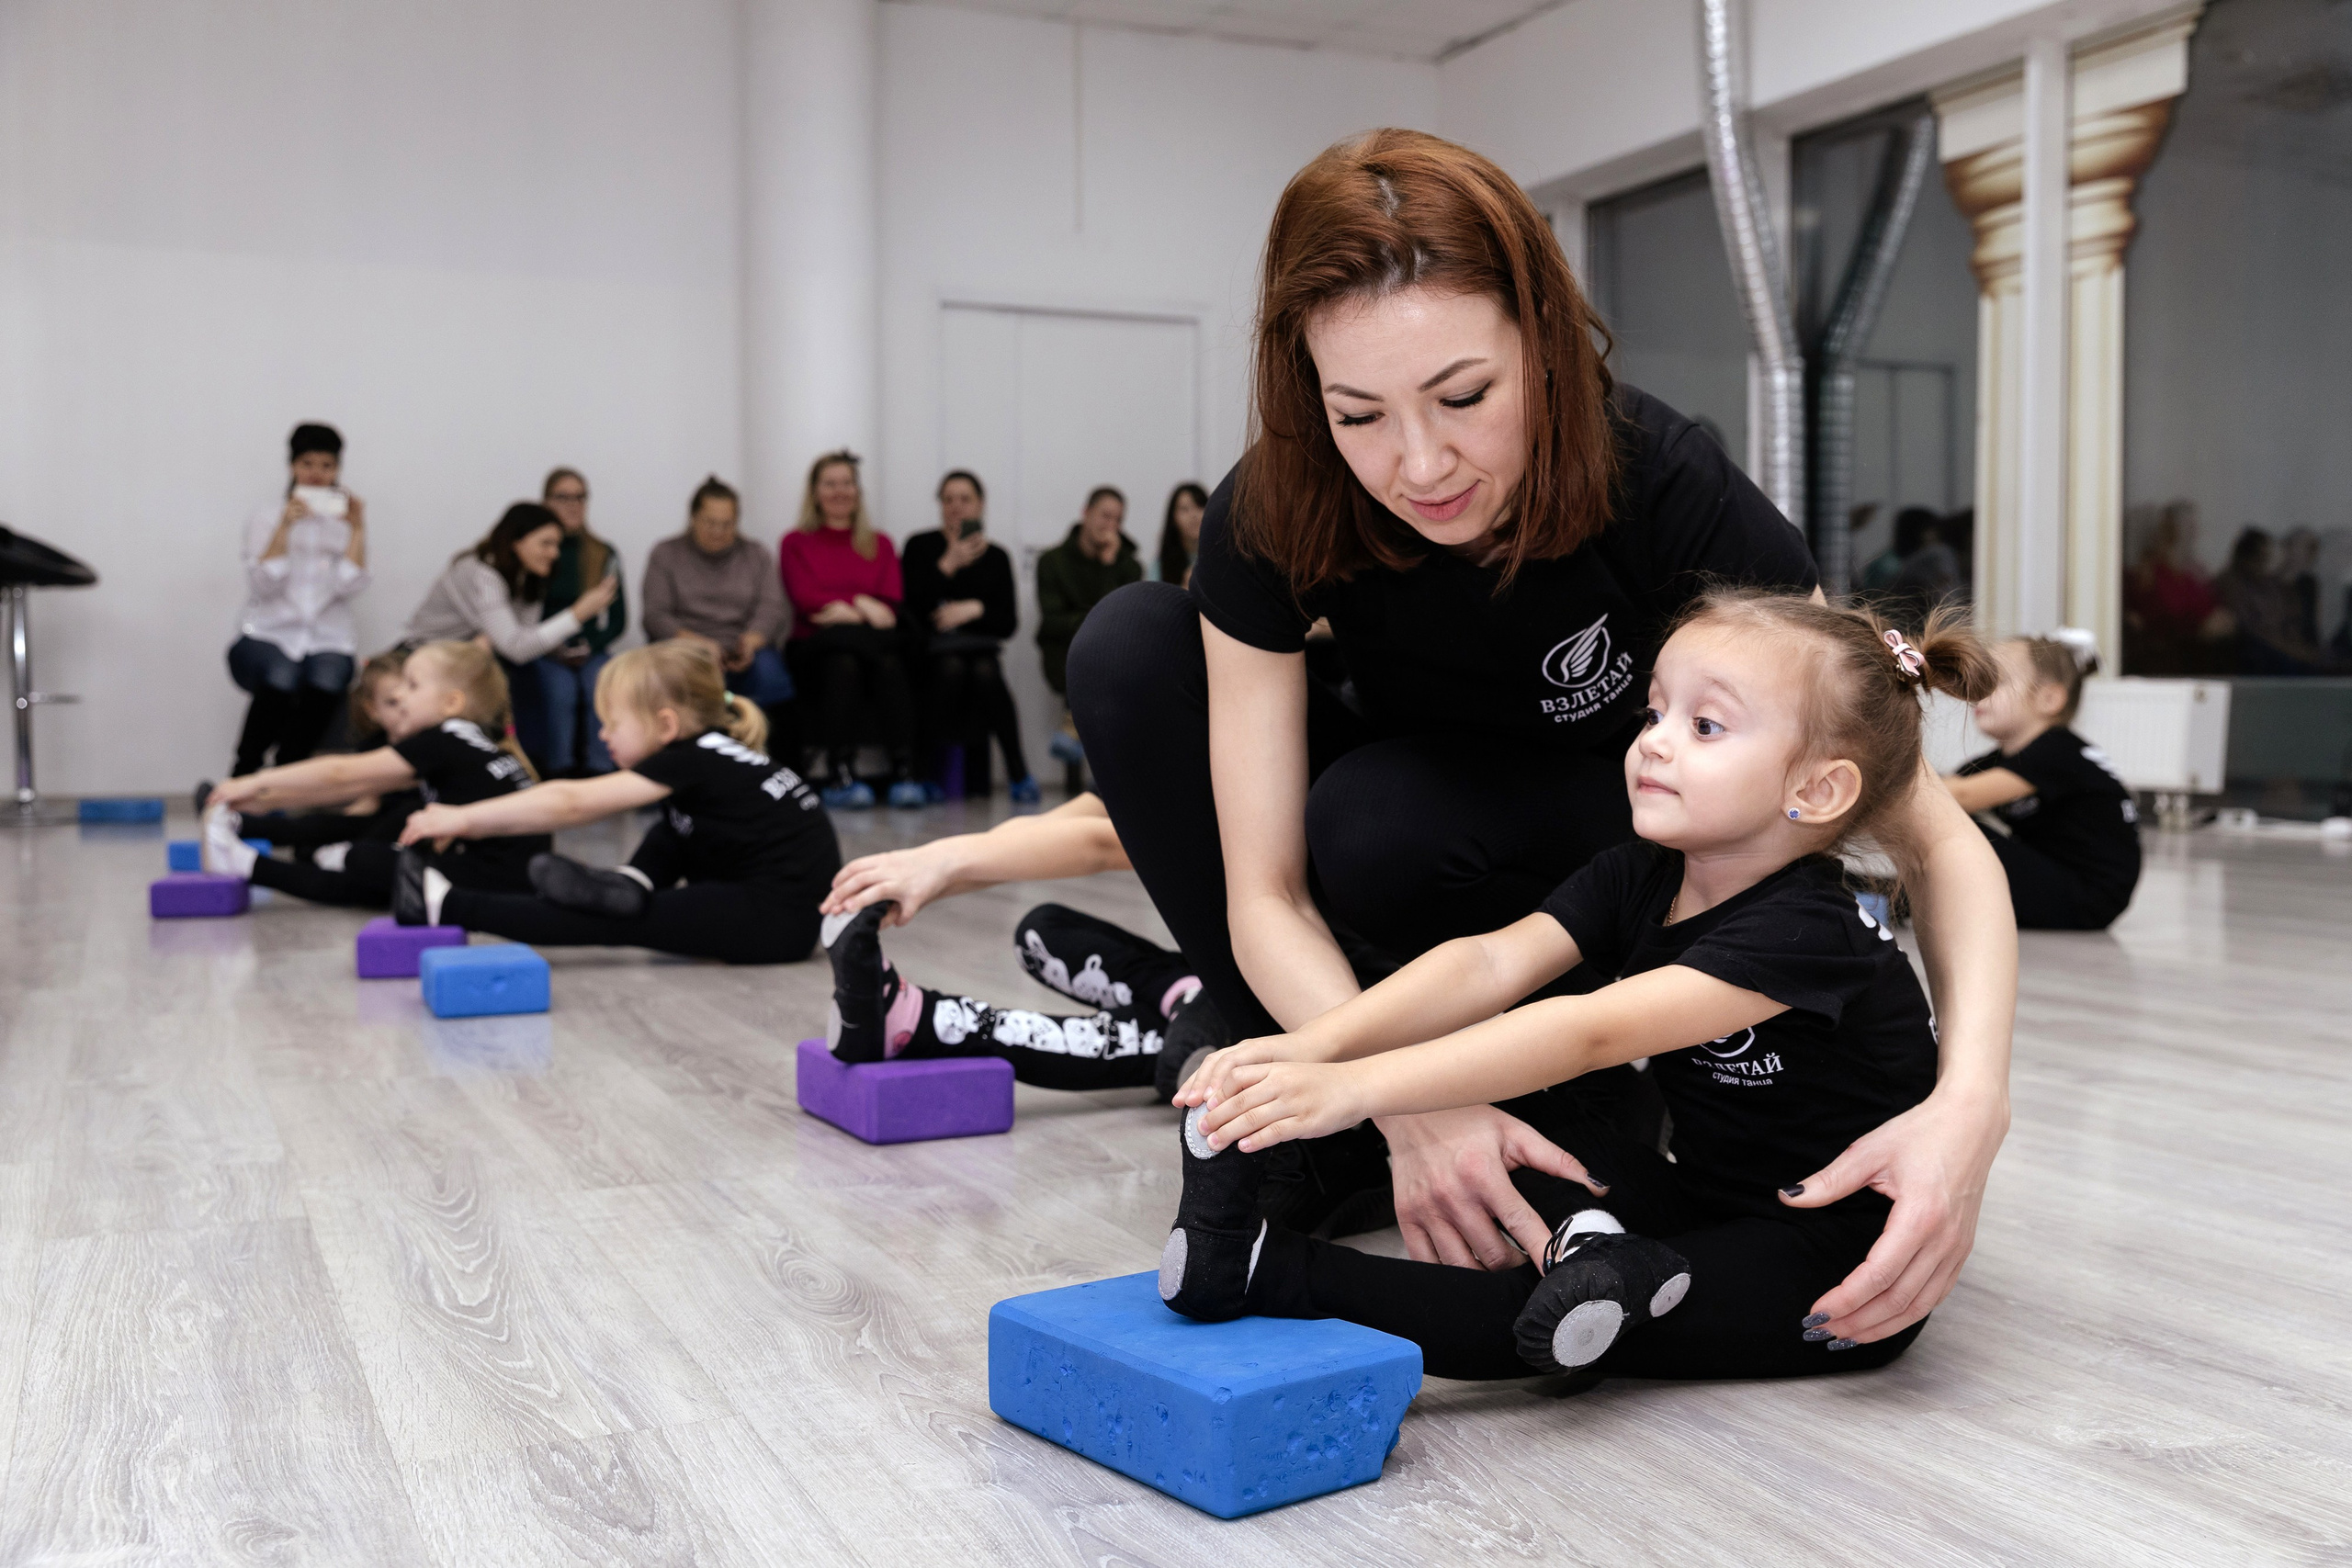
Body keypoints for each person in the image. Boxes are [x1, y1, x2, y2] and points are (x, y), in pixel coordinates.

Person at [1069, 129, 2019, 1352]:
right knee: (1136, 653)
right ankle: (1339, 1095)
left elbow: (1932, 838)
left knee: (1384, 820)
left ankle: (1530, 1114)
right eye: (1359, 413)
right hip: (1398, 925)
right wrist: (1416, 1100)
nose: (1420, 463)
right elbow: (1265, 890)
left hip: (1597, 897)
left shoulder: (1663, 480)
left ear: (1544, 342)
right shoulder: (1280, 505)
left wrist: (1971, 1107)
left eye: (1463, 396)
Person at [1160, 592, 1996, 1385]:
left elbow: (1588, 1030)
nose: (1655, 742)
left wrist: (1346, 1089)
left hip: (1832, 1250)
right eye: (1655, 712)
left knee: (1551, 1323)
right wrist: (1316, 1042)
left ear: (1816, 790)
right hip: (1702, 1193)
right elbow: (1489, 963)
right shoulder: (1645, 872)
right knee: (1518, 1116)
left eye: (1705, 725)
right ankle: (1591, 1242)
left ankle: (1266, 1270)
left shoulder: (1810, 929)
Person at [390, 640, 838, 965]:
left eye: (613, 723)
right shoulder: (717, 756)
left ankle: (449, 906)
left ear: (665, 725)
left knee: (617, 921)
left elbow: (571, 802)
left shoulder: (691, 760)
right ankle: (629, 883)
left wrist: (464, 818)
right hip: (780, 907)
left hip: (773, 920)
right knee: (671, 828)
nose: (603, 735)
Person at [819, 794, 1227, 1096]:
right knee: (1042, 932)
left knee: (1183, 1057)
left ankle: (925, 1023)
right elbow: (1076, 817)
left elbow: (1109, 845)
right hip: (1219, 965)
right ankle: (1185, 995)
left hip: (1273, 995)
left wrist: (943, 861)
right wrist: (924, 876)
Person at [197, 641, 543, 908]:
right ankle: (249, 862)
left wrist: (255, 781)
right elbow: (344, 786)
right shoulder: (471, 741)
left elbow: (341, 775)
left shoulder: (445, 740)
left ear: (451, 703)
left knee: (365, 861)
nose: (400, 695)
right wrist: (262, 800)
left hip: (497, 883)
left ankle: (252, 864)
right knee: (374, 865)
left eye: (412, 685)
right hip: (508, 877)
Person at [1946, 631, 2141, 931]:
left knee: (1955, 831)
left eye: (1997, 681)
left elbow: (1958, 796)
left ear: (2049, 698)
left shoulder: (2056, 751)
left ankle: (1890, 898)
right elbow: (1948, 788)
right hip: (2058, 879)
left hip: (2085, 895)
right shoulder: (2004, 758)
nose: (1979, 691)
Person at [779, 450, 922, 810]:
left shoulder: (882, 543)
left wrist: (847, 607)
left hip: (871, 647)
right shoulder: (795, 542)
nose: (839, 491)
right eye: (830, 484)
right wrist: (864, 603)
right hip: (813, 650)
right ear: (814, 492)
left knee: (882, 661)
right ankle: (839, 772)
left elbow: (890, 607)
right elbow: (807, 600)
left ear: (858, 491)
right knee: (845, 660)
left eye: (846, 483)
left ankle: (904, 771)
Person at [226, 422, 369, 776]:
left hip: (327, 635)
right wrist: (284, 528)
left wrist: (358, 529)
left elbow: (349, 585)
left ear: (337, 469)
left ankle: (287, 772)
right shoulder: (266, 516)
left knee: (331, 677)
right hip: (267, 632)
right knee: (282, 673)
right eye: (307, 464)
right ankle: (245, 769)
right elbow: (263, 585)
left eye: (327, 465)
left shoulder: (345, 522)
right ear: (292, 466)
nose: (317, 474)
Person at [899, 470, 1036, 802]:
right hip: (930, 653)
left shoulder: (997, 556)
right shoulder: (920, 546)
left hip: (979, 651)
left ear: (981, 505)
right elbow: (911, 611)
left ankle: (1017, 772)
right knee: (954, 668)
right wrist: (947, 564)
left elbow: (1007, 624)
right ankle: (920, 774)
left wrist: (975, 609)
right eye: (948, 499)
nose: (956, 507)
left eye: (965, 499)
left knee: (984, 670)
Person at [640, 476, 797, 740]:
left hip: (745, 650)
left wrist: (751, 641)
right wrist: (698, 645)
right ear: (693, 518)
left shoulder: (756, 555)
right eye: (711, 523)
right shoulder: (666, 554)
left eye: (727, 524)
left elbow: (772, 608)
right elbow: (656, 616)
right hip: (686, 650)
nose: (718, 532)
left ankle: (770, 760)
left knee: (772, 677)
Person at [227, 649, 423, 860]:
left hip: (408, 825)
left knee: (356, 831)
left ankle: (244, 824)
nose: (404, 708)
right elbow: (364, 800)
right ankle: (242, 821)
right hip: (379, 819)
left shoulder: (426, 745)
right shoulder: (374, 744)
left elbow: (338, 776)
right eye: (392, 702)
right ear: (372, 709)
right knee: (317, 833)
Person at [403, 502, 619, 664]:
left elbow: (525, 636)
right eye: (546, 543)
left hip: (461, 659)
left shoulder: (530, 575)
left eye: (557, 545)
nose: (554, 553)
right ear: (516, 542)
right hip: (423, 657)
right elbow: (515, 648)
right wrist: (578, 613)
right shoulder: (481, 573)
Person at [519, 468, 628, 775]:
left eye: (580, 497)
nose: (573, 505)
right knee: (559, 689)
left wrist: (589, 646)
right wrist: (555, 648)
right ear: (546, 502)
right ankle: (558, 769)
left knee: (602, 682)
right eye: (563, 497)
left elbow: (618, 619)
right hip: (545, 647)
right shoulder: (535, 552)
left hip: (590, 649)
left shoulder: (602, 553)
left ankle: (602, 768)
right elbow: (524, 617)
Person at [1038, 485, 1143, 770]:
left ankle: (1074, 729)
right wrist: (1090, 623)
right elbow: (1052, 619)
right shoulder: (1051, 562)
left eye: (1117, 520)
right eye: (1104, 516)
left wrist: (1108, 567)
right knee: (1091, 648)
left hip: (1114, 655)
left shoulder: (1128, 567)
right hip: (1064, 653)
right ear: (1086, 513)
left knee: (1114, 653)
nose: (1110, 526)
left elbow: (1123, 619)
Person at [1158, 482, 1209, 588]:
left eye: (1199, 506)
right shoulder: (1159, 567)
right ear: (1173, 518)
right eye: (1185, 509)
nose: (1193, 515)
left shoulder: (1224, 557)